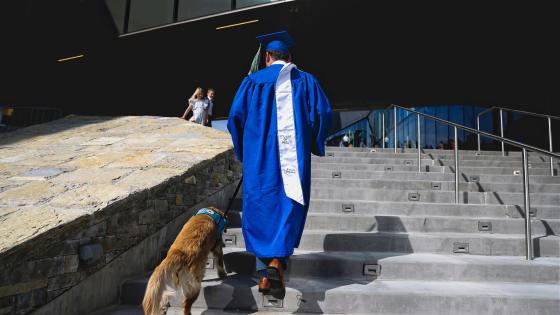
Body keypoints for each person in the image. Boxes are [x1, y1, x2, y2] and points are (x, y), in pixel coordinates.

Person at [227, 31, 332, 298]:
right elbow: (323, 115)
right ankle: (275, 265)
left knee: (261, 207)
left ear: (267, 57)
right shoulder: (306, 81)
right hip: (292, 160)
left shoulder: (251, 82)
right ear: (290, 57)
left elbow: (234, 119)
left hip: (259, 161)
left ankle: (265, 274)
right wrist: (312, 142)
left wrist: (244, 151)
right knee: (288, 206)